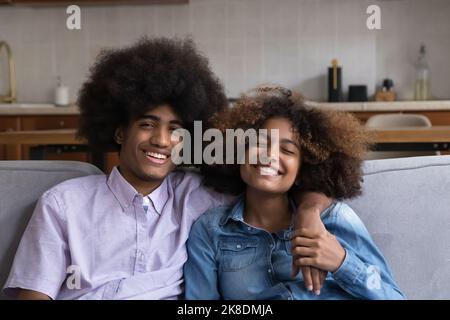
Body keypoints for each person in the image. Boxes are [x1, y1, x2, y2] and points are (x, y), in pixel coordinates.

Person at [3, 39, 330, 300]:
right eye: (147, 124)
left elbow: (276, 179)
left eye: (176, 129)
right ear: (120, 131)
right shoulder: (62, 205)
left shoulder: (203, 196)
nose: (161, 140)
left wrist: (310, 212)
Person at [184, 86, 406, 299]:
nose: (269, 155)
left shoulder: (335, 219)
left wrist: (341, 262)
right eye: (260, 143)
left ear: (302, 171)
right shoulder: (210, 230)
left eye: (287, 150)